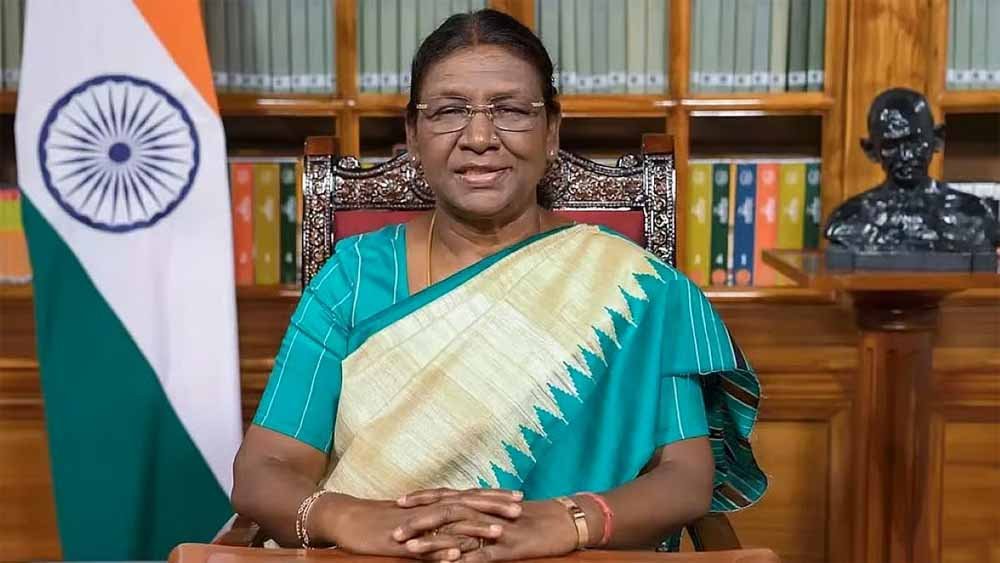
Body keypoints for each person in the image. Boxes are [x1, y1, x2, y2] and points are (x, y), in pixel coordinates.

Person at [232, 9, 765, 561]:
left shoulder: (637, 290)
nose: (480, 138)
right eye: (449, 111)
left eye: (510, 110)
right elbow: (265, 466)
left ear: (551, 132)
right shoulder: (355, 276)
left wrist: (567, 522)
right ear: (413, 135)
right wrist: (351, 518)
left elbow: (684, 477)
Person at [825, 87, 998, 253]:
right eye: (891, 145)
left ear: (937, 140)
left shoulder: (976, 214)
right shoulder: (849, 218)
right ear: (871, 151)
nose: (906, 155)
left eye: (915, 142)